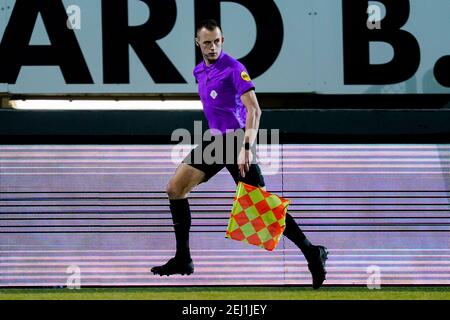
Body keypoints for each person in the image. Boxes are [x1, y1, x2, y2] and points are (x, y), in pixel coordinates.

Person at [151, 19, 328, 289]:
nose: (212, 47)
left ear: (223, 41)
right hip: (216, 141)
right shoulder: (199, 71)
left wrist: (245, 147)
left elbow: (255, 110)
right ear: (198, 42)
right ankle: (183, 258)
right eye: (207, 42)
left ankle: (311, 251)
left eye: (217, 41)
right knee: (175, 188)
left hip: (236, 141)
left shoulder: (234, 69)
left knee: (262, 207)